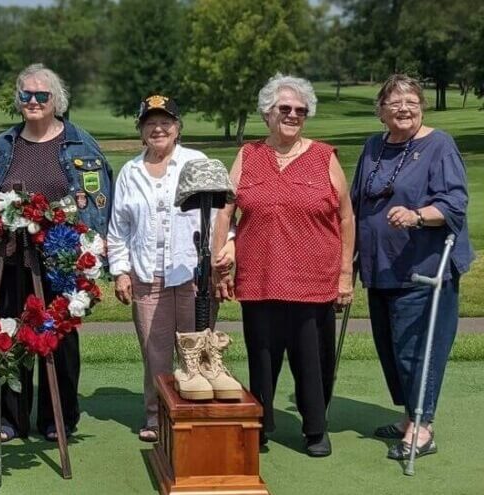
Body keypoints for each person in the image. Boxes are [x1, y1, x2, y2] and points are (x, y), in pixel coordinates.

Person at [212, 74, 354, 457]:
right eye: (285, 109)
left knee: (312, 358)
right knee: (261, 357)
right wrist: (220, 259)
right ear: (267, 113)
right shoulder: (248, 155)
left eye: (300, 111)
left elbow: (345, 217)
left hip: (314, 279)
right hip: (259, 277)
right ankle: (260, 423)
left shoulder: (324, 156)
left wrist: (344, 274)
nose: (293, 115)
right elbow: (226, 211)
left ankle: (315, 428)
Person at [0, 63, 113, 442]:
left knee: (60, 340)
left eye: (41, 96)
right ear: (18, 100)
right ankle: (10, 419)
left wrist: (90, 254)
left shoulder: (80, 145)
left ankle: (58, 417)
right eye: (26, 95)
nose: (33, 101)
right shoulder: (3, 147)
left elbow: (95, 206)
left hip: (60, 263)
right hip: (11, 260)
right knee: (11, 334)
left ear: (56, 101)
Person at [350, 74, 474, 460]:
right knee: (390, 350)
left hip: (423, 270)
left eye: (411, 102)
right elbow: (355, 203)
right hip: (380, 268)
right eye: (394, 102)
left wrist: (418, 215)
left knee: (417, 350)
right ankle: (409, 416)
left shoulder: (440, 146)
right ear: (381, 111)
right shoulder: (374, 146)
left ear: (422, 106)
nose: (404, 108)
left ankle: (423, 428)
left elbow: (454, 204)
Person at [107, 95, 207, 442]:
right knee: (155, 351)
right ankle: (156, 417)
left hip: (192, 273)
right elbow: (118, 229)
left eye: (165, 122)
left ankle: (194, 411)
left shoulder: (196, 162)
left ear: (178, 128)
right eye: (150, 123)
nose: (159, 128)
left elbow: (221, 212)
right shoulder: (130, 172)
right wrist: (120, 270)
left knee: (196, 347)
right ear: (141, 130)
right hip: (147, 275)